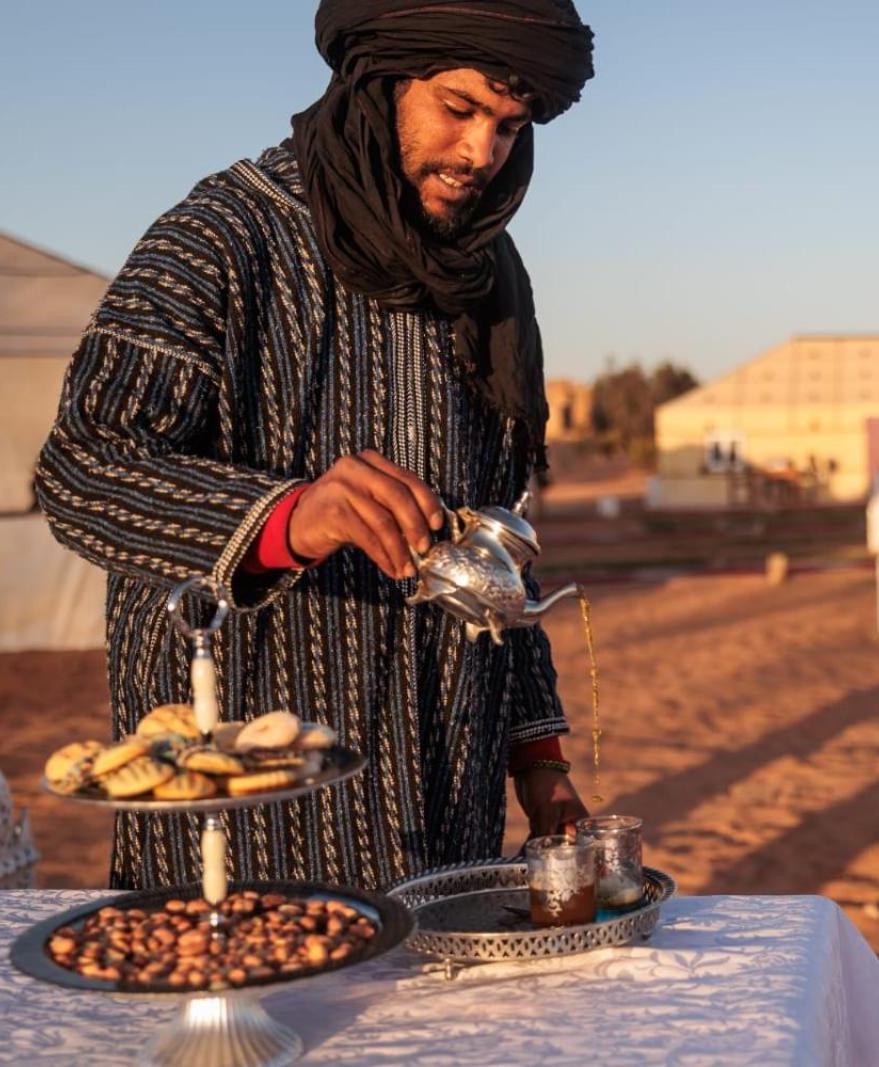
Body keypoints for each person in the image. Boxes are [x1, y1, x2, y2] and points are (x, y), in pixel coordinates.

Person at [35, 0, 596, 892]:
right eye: (459, 109)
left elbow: (498, 539)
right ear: (379, 83)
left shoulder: (487, 280)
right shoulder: (221, 237)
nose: (481, 155)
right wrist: (287, 518)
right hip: (247, 805)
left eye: (509, 126)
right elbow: (83, 468)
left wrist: (538, 751)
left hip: (449, 792)